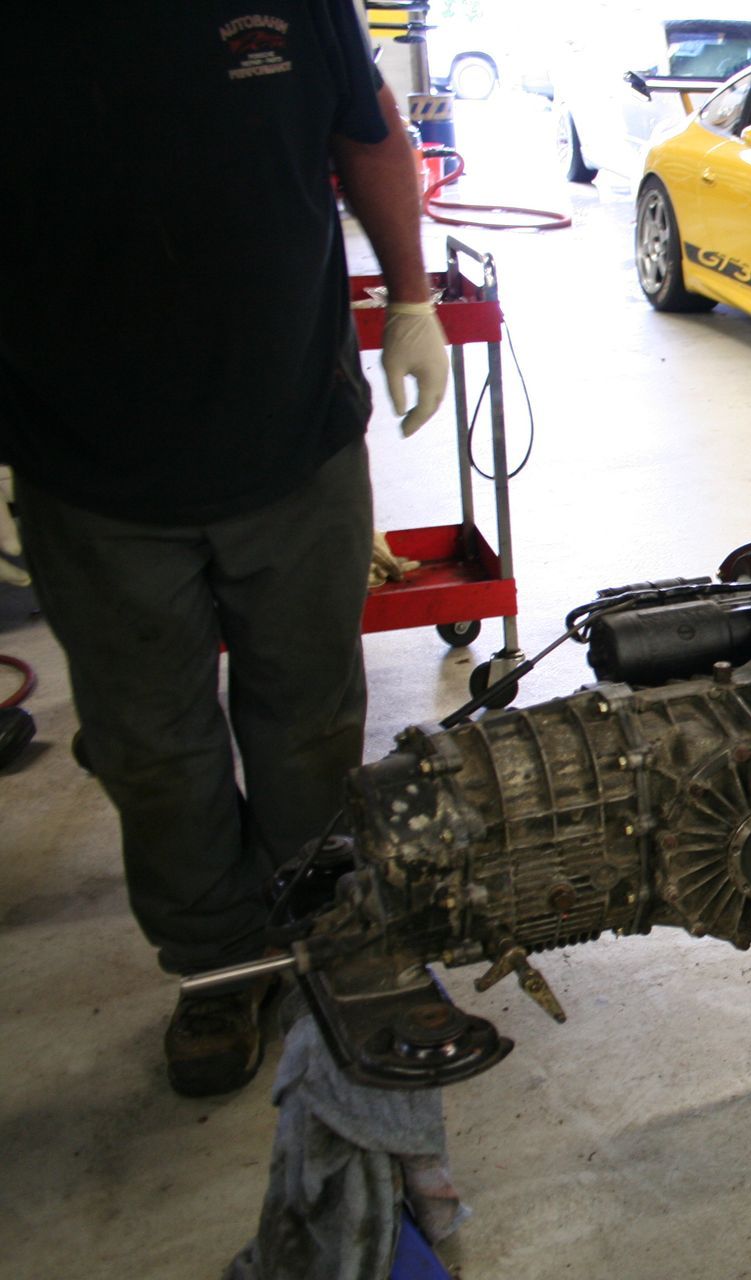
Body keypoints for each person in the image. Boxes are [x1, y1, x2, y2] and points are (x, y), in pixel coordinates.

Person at [0, 2, 448, 1096]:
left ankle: (327, 931)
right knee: (153, 750)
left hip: (291, 437)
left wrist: (412, 296)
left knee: (311, 722)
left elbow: (367, 132)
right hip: (89, 462)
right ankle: (220, 963)